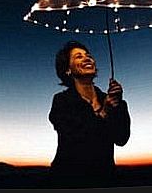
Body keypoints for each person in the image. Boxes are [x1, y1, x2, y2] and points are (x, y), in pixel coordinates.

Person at [48, 40, 131, 188]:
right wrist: (104, 112)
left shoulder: (110, 100)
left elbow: (121, 139)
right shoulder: (62, 101)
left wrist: (118, 106)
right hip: (68, 181)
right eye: (78, 56)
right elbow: (77, 138)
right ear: (68, 70)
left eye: (88, 55)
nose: (87, 58)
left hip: (105, 180)